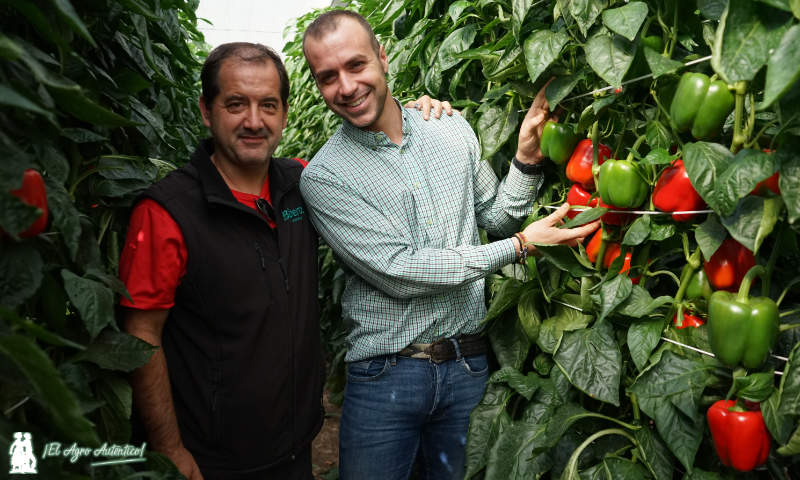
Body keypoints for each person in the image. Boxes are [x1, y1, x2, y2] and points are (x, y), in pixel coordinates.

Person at [120, 42, 450, 480]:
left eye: (268, 105)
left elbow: (374, 158)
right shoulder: (168, 212)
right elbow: (142, 336)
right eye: (236, 104)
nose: (254, 121)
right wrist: (170, 449)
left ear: (285, 113)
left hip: (295, 445)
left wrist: (411, 114)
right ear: (206, 109)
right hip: (211, 459)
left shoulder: (303, 183)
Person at [299, 10, 600, 480]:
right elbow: (400, 271)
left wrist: (523, 159)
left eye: (356, 65)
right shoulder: (325, 176)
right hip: (385, 379)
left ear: (382, 57)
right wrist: (520, 246)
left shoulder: (450, 128)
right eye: (327, 77)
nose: (346, 86)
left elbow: (497, 220)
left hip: (467, 368)